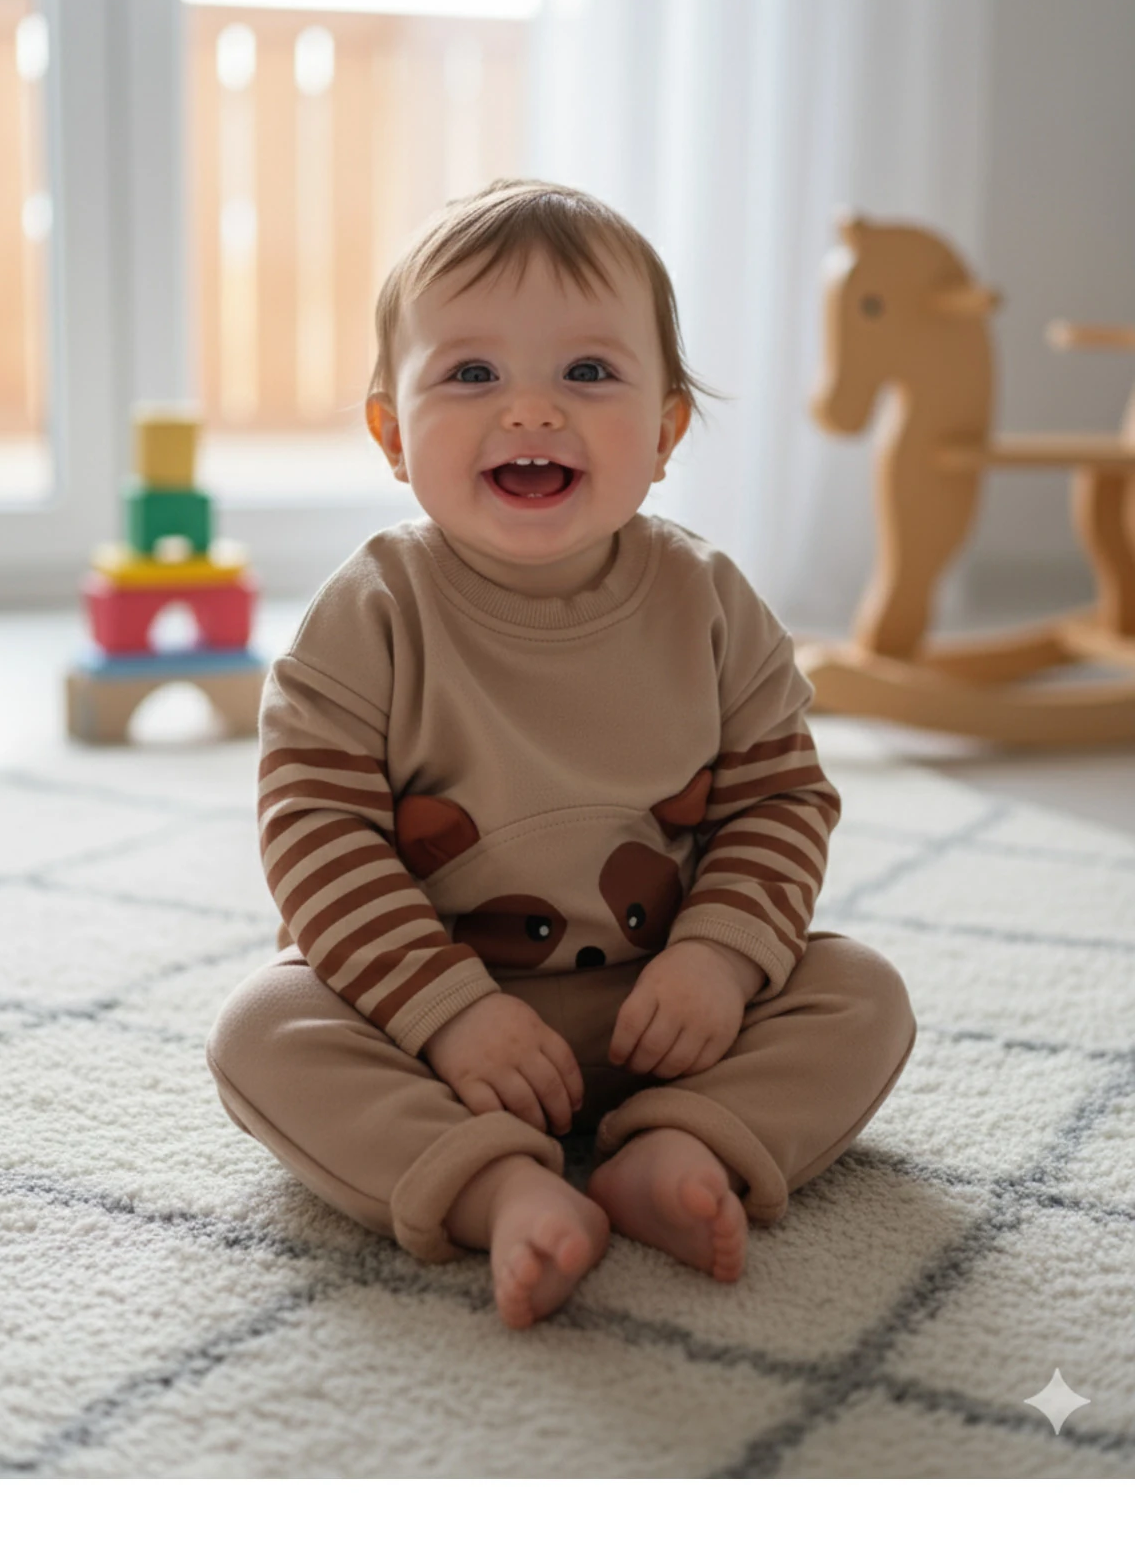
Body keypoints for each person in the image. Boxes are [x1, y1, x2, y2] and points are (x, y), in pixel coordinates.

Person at [207, 178, 916, 1330]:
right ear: (392, 432)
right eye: (472, 374)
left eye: (588, 374)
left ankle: (677, 1146)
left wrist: (721, 963)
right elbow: (315, 835)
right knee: (262, 1032)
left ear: (666, 431)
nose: (531, 411)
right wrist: (446, 1011)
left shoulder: (711, 602)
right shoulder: (374, 611)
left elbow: (781, 799)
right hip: (434, 1020)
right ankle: (496, 1184)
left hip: (667, 1013)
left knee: (863, 995)